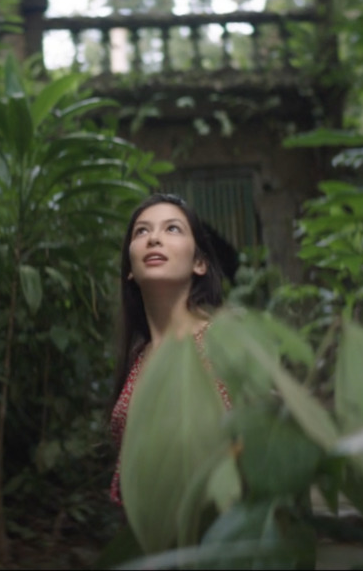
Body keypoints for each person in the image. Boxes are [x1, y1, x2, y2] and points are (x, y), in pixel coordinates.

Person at [107, 193, 233, 506]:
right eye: (142, 232)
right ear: (130, 271)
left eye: (172, 229)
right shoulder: (138, 357)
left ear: (199, 263)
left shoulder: (224, 343)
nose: (154, 239)